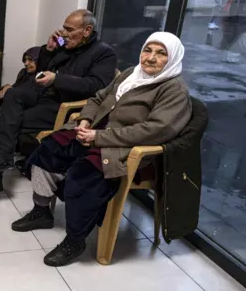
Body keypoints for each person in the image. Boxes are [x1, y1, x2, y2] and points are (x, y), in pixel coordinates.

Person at [12, 32, 192, 267]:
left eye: (161, 54)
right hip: (94, 132)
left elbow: (154, 131)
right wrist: (86, 120)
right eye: (148, 50)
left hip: (121, 146)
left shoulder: (173, 90)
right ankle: (42, 210)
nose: (150, 58)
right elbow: (98, 98)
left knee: (82, 176)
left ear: (173, 58)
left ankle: (75, 239)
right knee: (48, 148)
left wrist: (99, 136)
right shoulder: (131, 74)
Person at [0, 9, 117, 197]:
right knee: (12, 95)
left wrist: (57, 80)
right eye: (64, 29)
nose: (64, 34)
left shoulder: (104, 53)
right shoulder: (65, 44)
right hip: (44, 95)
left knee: (7, 117)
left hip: (64, 105)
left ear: (87, 30)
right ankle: (2, 161)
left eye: (70, 30)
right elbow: (43, 70)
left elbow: (97, 86)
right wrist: (49, 49)